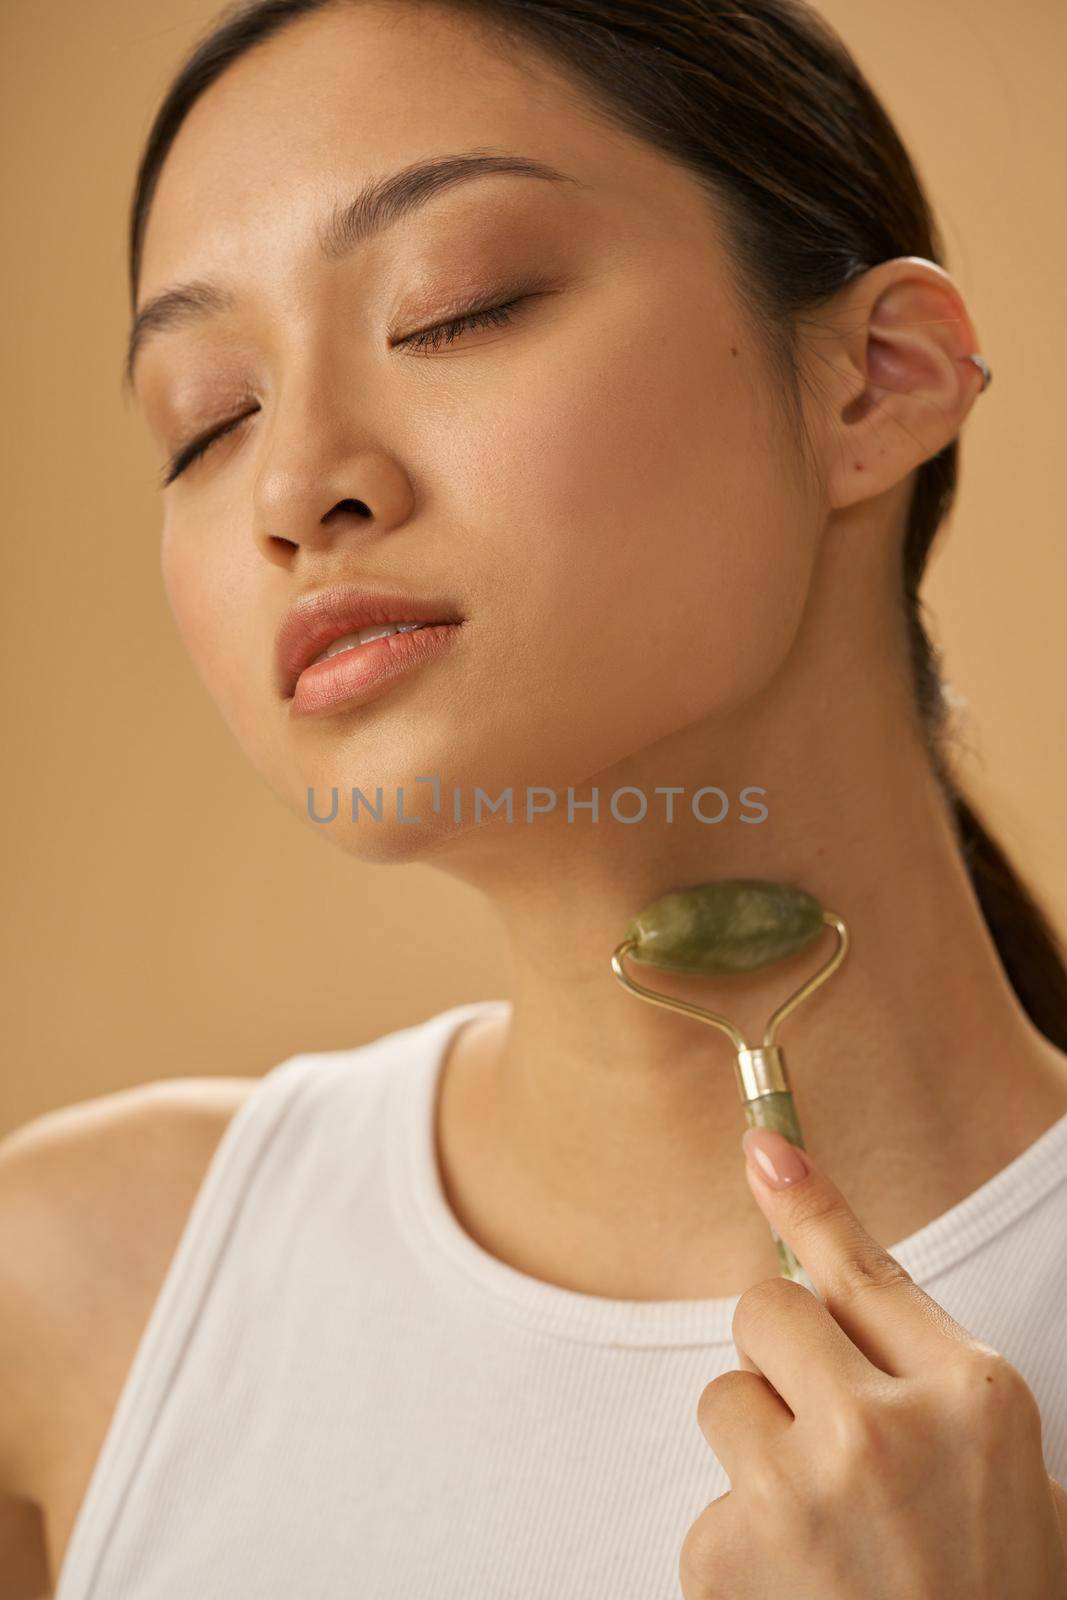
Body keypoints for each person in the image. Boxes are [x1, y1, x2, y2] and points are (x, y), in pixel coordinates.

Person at [3, 0, 1067, 1594]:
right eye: (207, 421)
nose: (298, 491)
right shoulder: (72, 1293)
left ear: (881, 381)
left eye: (455, 309)